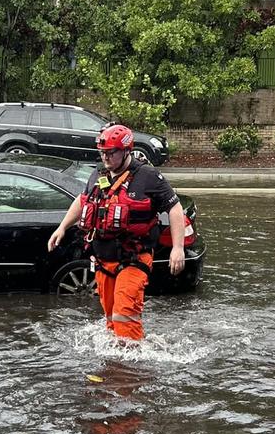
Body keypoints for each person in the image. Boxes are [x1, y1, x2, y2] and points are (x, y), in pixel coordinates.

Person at [46, 124, 188, 341]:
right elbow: (83, 200)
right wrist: (62, 227)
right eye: (102, 152)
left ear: (126, 151)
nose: (106, 157)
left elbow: (175, 208)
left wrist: (178, 248)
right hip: (104, 261)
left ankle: (129, 370)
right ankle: (114, 364)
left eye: (111, 152)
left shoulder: (147, 176)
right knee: (111, 319)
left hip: (134, 259)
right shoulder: (98, 174)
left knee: (124, 315)